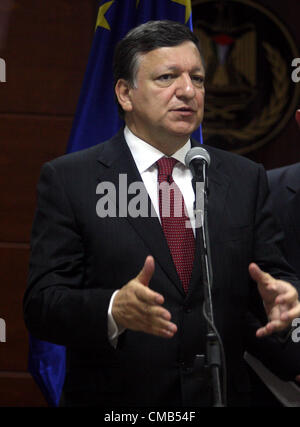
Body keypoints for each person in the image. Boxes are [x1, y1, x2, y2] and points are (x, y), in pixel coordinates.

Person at [23, 20, 300, 407]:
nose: (187, 91)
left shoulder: (244, 178)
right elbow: (42, 304)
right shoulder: (72, 179)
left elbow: (274, 277)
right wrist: (112, 308)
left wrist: (287, 296)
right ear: (125, 93)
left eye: (198, 79)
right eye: (167, 77)